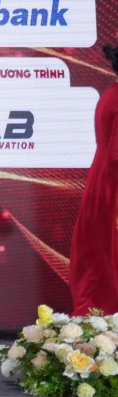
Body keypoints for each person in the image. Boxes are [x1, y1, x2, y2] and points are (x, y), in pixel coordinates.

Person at [70, 42, 118, 314]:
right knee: (107, 249)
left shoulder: (110, 94)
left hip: (104, 178)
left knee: (100, 246)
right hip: (113, 184)